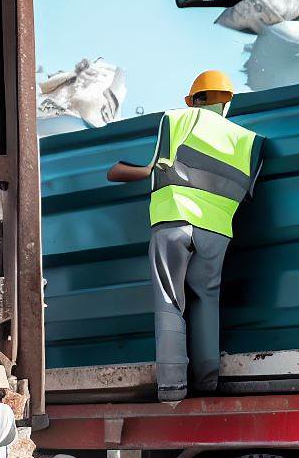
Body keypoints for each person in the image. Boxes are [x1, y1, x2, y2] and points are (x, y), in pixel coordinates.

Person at [107, 70, 263, 402]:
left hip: (173, 221)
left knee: (169, 301)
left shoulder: (177, 119)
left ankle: (172, 389)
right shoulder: (249, 142)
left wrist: (121, 171)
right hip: (218, 232)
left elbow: (156, 166)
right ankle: (207, 383)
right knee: (207, 302)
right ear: (228, 102)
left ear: (193, 101)